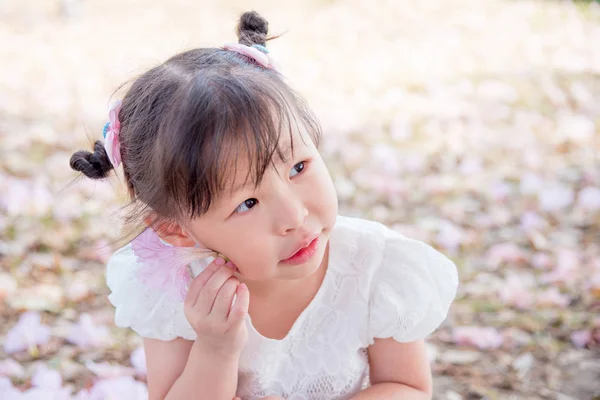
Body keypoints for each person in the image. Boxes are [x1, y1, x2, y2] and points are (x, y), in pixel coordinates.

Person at [70, 10, 458, 400]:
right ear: (177, 229)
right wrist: (216, 348)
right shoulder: (178, 292)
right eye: (248, 202)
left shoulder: (375, 267)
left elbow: (408, 387)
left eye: (299, 167)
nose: (294, 216)